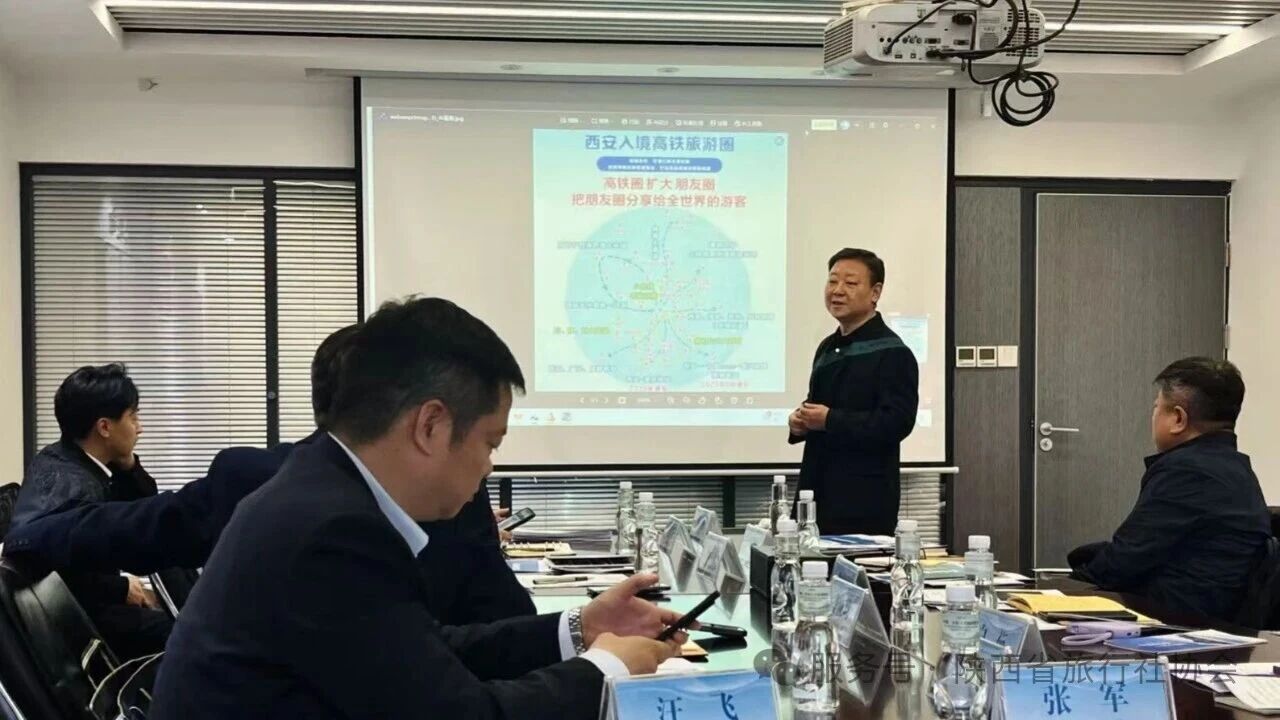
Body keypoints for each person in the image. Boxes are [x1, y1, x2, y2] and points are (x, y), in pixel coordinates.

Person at [151, 297, 686, 719]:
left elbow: (415, 651)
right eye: (490, 443)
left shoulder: (319, 489)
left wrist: (578, 627)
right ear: (430, 426)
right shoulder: (332, 531)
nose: (488, 468)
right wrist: (606, 668)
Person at [5, 325, 535, 624]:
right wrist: (22, 536)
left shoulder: (457, 489)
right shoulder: (273, 487)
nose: (487, 462)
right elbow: (138, 526)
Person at [1068, 357, 1270, 622]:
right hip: (1214, 616)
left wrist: (1065, 584)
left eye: (1156, 407)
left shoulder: (1187, 471)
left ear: (1177, 418)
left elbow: (1124, 561)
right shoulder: (1237, 469)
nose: (1152, 416)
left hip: (1176, 620)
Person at [6, 364, 171, 659]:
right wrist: (120, 587)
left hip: (78, 607)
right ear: (104, 427)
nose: (140, 427)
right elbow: (47, 565)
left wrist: (129, 465)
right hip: (78, 621)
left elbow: (147, 512)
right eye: (133, 417)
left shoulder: (62, 457)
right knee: (183, 634)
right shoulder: (75, 488)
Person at [788, 248, 920, 535]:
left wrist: (829, 419)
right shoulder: (827, 346)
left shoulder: (893, 352)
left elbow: (897, 422)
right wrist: (800, 421)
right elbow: (821, 403)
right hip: (815, 491)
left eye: (850, 283)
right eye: (832, 281)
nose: (837, 291)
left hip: (862, 502)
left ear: (875, 292)